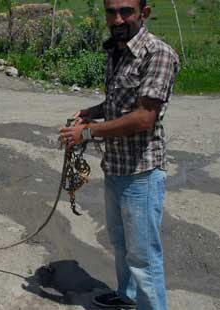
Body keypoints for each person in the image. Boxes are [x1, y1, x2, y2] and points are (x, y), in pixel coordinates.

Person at [58, 0, 179, 309]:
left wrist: (87, 132)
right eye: (111, 12)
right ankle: (127, 298)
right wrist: (90, 112)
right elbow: (118, 102)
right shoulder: (117, 51)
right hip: (115, 167)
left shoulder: (158, 54)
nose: (118, 18)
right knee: (121, 244)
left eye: (126, 11)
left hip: (142, 173)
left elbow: (143, 117)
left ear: (144, 13)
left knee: (143, 256)